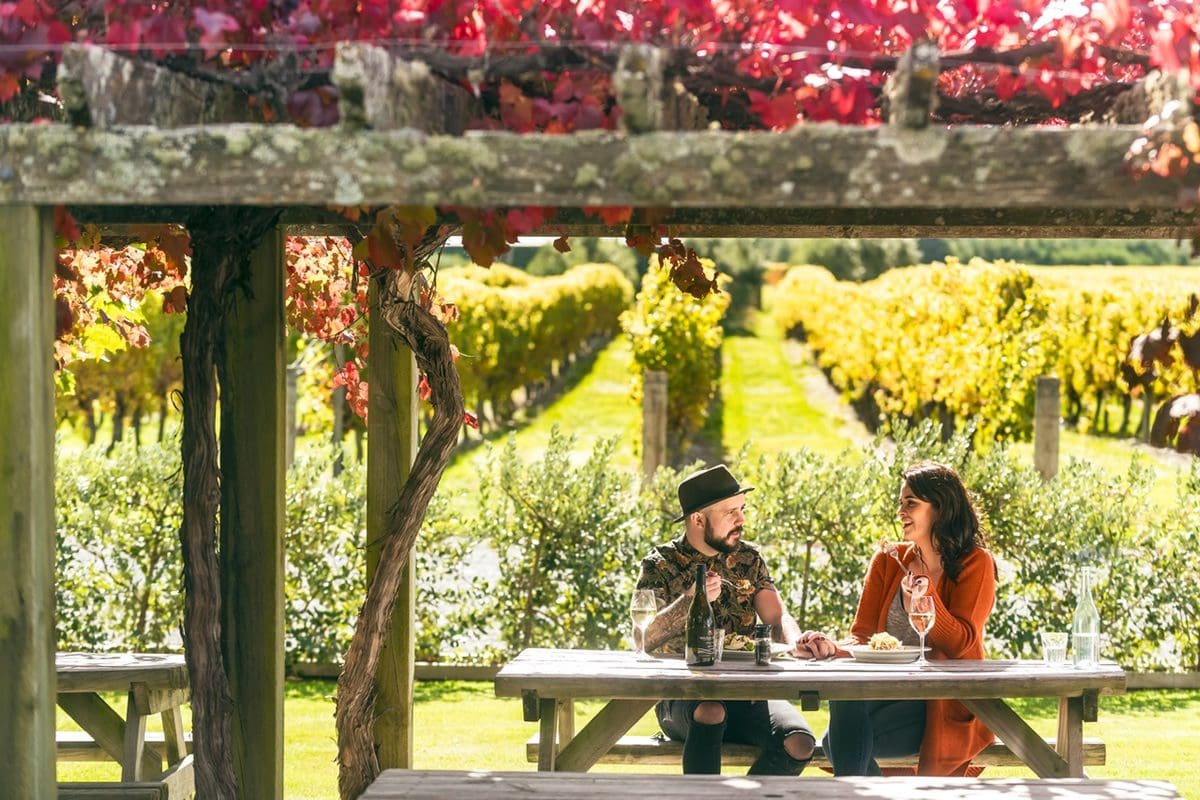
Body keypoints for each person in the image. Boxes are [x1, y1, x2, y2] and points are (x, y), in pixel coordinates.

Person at [795, 460, 996, 777]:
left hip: (939, 706)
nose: (901, 511)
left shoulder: (975, 563)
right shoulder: (889, 561)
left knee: (838, 743)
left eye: (911, 503)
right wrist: (830, 646)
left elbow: (961, 644)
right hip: (884, 698)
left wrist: (926, 597)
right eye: (900, 503)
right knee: (845, 695)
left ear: (940, 509)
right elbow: (863, 639)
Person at [637, 463, 815, 776]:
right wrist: (689, 600)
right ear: (697, 519)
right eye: (730, 512)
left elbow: (777, 617)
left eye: (742, 509)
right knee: (711, 710)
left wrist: (795, 640)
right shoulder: (660, 564)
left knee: (800, 742)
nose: (741, 520)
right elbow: (643, 639)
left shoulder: (749, 558)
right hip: (682, 698)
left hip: (747, 696)